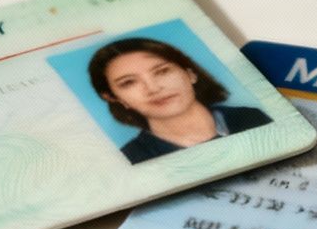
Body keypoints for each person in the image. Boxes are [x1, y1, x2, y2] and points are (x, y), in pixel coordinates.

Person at [87, 37, 271, 164]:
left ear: (190, 73)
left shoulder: (253, 118)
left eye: (162, 71)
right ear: (115, 98)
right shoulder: (132, 158)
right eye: (129, 83)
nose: (153, 88)